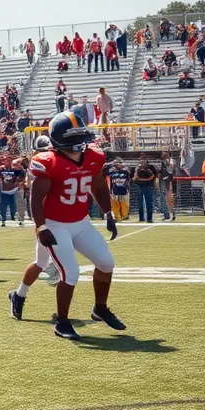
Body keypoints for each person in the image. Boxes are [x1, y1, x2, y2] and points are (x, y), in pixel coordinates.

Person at [11, 111, 123, 340]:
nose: (78, 144)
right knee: (69, 272)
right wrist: (41, 228)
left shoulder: (93, 156)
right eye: (72, 140)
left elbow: (99, 186)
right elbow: (35, 198)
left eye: (80, 137)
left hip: (80, 222)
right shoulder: (47, 162)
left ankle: (99, 308)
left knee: (106, 263)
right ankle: (62, 322)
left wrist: (108, 212)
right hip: (55, 224)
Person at [132, 154, 157, 223]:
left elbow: (153, 176)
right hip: (139, 186)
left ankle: (149, 218)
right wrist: (137, 170)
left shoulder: (151, 167)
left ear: (146, 160)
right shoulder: (137, 168)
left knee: (149, 203)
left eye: (144, 158)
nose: (142, 160)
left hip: (148, 186)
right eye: (141, 159)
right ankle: (141, 218)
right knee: (140, 204)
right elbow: (134, 178)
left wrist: (144, 179)